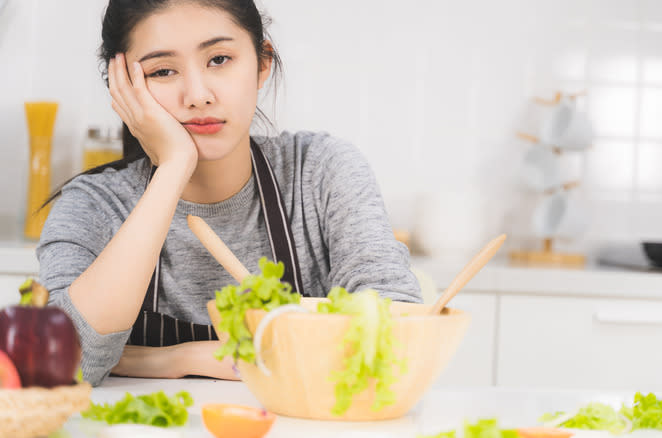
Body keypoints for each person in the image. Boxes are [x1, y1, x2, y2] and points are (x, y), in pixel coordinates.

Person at [36, 0, 421, 387]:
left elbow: (397, 335)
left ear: (262, 63)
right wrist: (173, 167)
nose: (198, 95)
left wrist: (141, 360)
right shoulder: (94, 204)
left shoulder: (321, 172)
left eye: (219, 59)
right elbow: (62, 363)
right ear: (123, 89)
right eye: (163, 70)